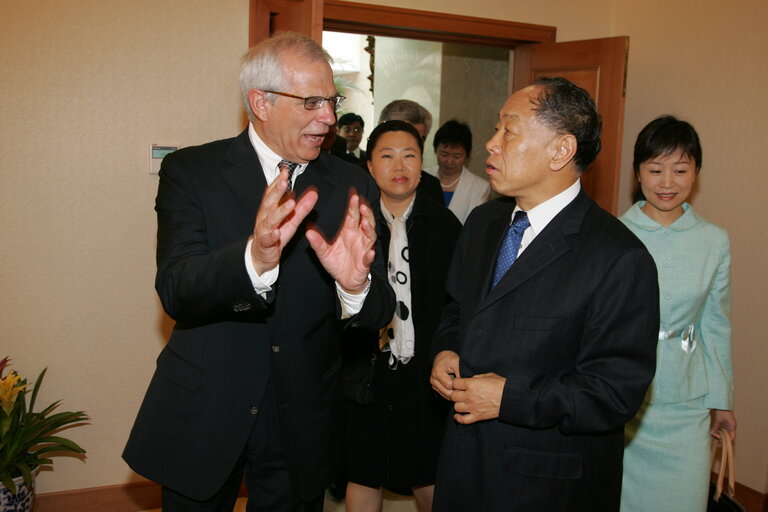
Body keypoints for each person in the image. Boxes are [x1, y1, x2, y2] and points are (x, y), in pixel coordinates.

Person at [122, 32, 395, 512]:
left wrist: (355, 288)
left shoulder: (352, 184)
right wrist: (255, 261)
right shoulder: (193, 171)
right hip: (207, 405)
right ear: (260, 103)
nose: (329, 118)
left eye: (331, 100)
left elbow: (379, 312)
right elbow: (176, 288)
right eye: (312, 102)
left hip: (304, 416)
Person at [429, 77, 660, 511]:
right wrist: (445, 351)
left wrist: (510, 398)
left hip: (547, 484)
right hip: (464, 464)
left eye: (509, 130)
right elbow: (457, 309)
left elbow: (613, 393)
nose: (492, 144)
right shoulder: (483, 224)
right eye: (497, 129)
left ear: (561, 150)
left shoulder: (618, 257)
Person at [619, 115, 736, 512]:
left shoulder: (714, 240)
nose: (667, 182)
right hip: (623, 399)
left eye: (680, 170)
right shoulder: (614, 234)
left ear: (696, 173)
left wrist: (722, 400)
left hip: (688, 403)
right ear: (637, 172)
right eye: (655, 169)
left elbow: (715, 325)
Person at [344, 121, 461, 512]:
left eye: (409, 155)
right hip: (365, 366)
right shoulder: (351, 225)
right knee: (363, 471)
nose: (399, 165)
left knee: (428, 472)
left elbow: (457, 304)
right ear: (370, 166)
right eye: (387, 156)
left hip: (425, 368)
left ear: (421, 163)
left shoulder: (445, 226)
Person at [425, 119, 491, 223]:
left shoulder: (480, 187)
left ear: (467, 156)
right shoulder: (422, 177)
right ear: (435, 150)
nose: (449, 161)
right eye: (444, 154)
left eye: (457, 156)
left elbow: (477, 226)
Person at [379, 99, 443, 205]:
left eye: (420, 139)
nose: (414, 145)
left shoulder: (431, 186)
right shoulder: (357, 179)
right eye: (406, 137)